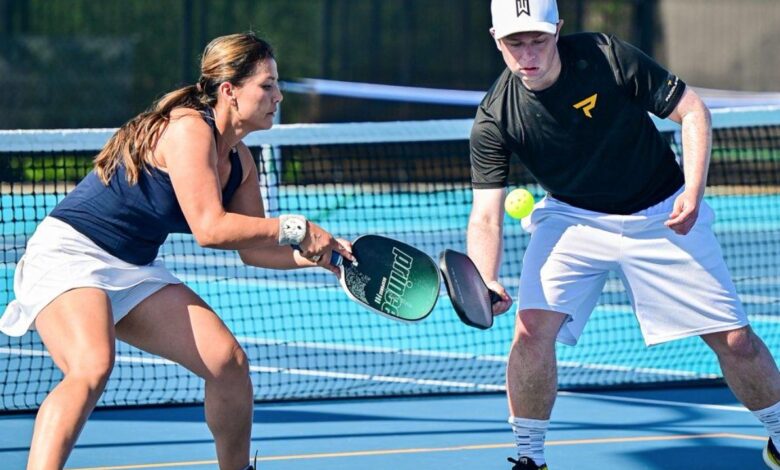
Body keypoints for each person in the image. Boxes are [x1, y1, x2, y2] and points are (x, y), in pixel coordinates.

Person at [0, 32, 353, 470]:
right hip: (71, 254)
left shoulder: (241, 161)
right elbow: (210, 228)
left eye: (276, 85)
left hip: (134, 267)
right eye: (267, 85)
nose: (278, 95)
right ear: (229, 90)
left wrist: (325, 257)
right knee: (92, 366)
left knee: (228, 364)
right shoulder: (189, 129)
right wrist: (297, 228)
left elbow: (254, 250)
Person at [467, 1, 780, 469]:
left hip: (661, 210)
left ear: (559, 29)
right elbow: (485, 217)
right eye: (515, 42)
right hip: (572, 218)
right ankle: (528, 459)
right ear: (496, 39)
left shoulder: (607, 56)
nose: (528, 53)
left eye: (538, 39)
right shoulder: (495, 117)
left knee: (735, 341)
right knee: (530, 332)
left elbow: (692, 111)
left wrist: (692, 191)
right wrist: (485, 277)